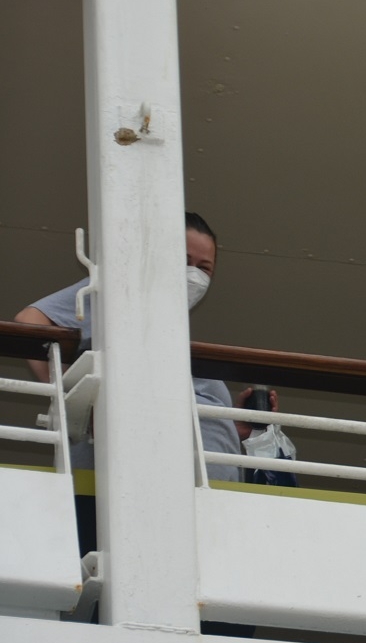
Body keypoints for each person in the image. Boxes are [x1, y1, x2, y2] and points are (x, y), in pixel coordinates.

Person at [14, 211, 278, 554]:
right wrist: (73, 394)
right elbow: (31, 321)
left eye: (204, 268)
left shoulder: (174, 337)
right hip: (133, 496)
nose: (193, 275)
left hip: (210, 504)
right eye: (183, 261)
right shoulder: (120, 292)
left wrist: (234, 426)